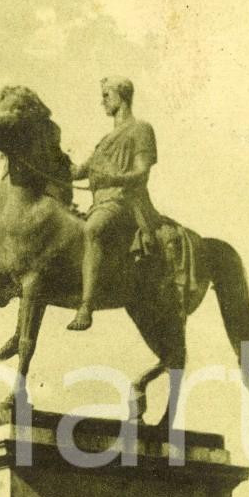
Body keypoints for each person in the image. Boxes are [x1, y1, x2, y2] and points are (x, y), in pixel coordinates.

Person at [68, 76, 161, 331]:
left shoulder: (140, 129)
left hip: (125, 202)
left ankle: (86, 306)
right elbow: (78, 172)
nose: (102, 102)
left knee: (92, 229)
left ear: (121, 96)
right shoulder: (105, 140)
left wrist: (114, 178)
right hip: (100, 203)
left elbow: (142, 172)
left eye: (106, 96)